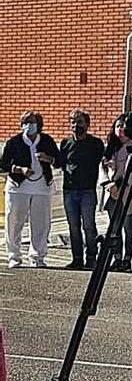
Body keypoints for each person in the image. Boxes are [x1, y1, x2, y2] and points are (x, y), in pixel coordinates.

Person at [3, 111, 63, 269]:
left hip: (42, 188)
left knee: (41, 223)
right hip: (18, 188)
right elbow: (3, 164)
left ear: (39, 125)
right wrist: (19, 169)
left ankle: (37, 256)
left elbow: (59, 162)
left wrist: (48, 159)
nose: (29, 125)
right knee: (14, 222)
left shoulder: (47, 141)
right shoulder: (14, 142)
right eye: (26, 122)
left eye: (32, 122)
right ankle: (14, 256)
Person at [56, 109, 105, 270]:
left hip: (87, 191)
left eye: (80, 122)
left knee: (89, 226)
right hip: (69, 190)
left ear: (87, 124)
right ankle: (77, 258)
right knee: (73, 226)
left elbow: (105, 161)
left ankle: (91, 257)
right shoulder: (66, 143)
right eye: (73, 122)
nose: (76, 125)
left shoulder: (95, 144)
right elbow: (60, 163)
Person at [102, 116, 132, 272]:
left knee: (128, 227)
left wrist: (120, 186)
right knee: (114, 227)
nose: (121, 129)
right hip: (111, 191)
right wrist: (108, 184)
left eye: (124, 126)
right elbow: (102, 167)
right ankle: (116, 257)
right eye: (118, 126)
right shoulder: (111, 147)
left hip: (127, 190)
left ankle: (127, 259)